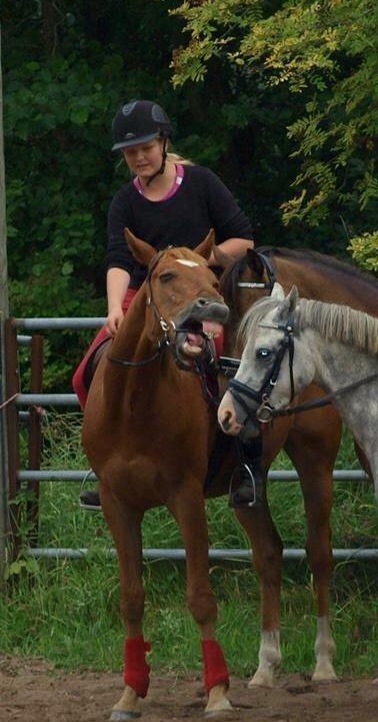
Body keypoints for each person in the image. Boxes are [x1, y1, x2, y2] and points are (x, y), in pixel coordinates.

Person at [72, 99, 261, 510]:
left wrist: (193, 264)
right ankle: (102, 464)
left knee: (233, 370)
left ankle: (244, 466)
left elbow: (243, 240)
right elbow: (119, 259)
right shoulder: (125, 201)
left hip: (201, 293)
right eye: (130, 152)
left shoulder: (202, 183)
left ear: (162, 143)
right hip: (145, 298)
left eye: (145, 148)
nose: (138, 157)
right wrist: (114, 308)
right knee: (85, 373)